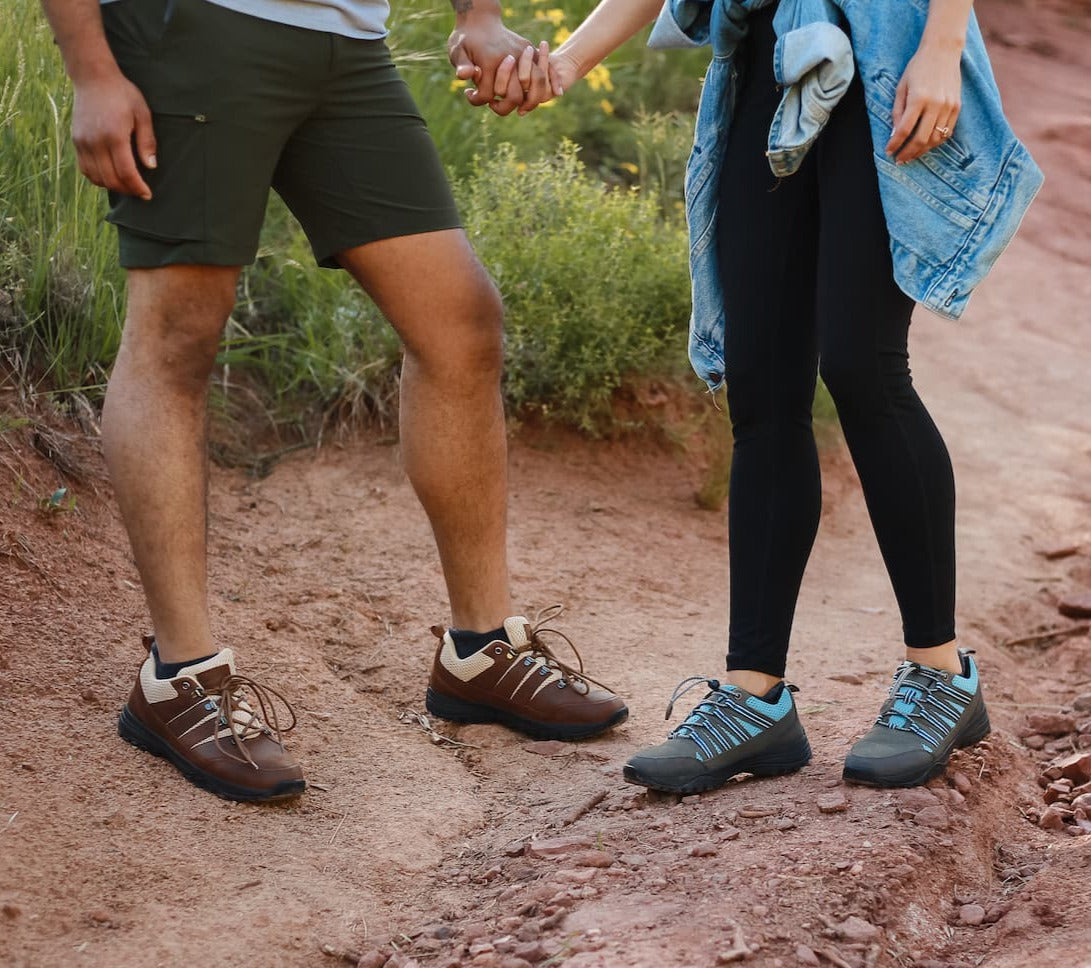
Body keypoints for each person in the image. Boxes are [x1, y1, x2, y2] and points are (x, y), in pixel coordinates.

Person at [40, 0, 627, 803]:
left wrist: (479, 16)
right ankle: (180, 677)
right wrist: (92, 71)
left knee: (460, 319)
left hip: (347, 45)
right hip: (192, 27)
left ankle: (480, 651)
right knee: (179, 335)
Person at [460, 0, 1042, 793]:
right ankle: (752, 696)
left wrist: (941, 47)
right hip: (766, 57)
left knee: (861, 366)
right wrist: (567, 62)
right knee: (762, 390)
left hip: (884, 50)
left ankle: (941, 676)